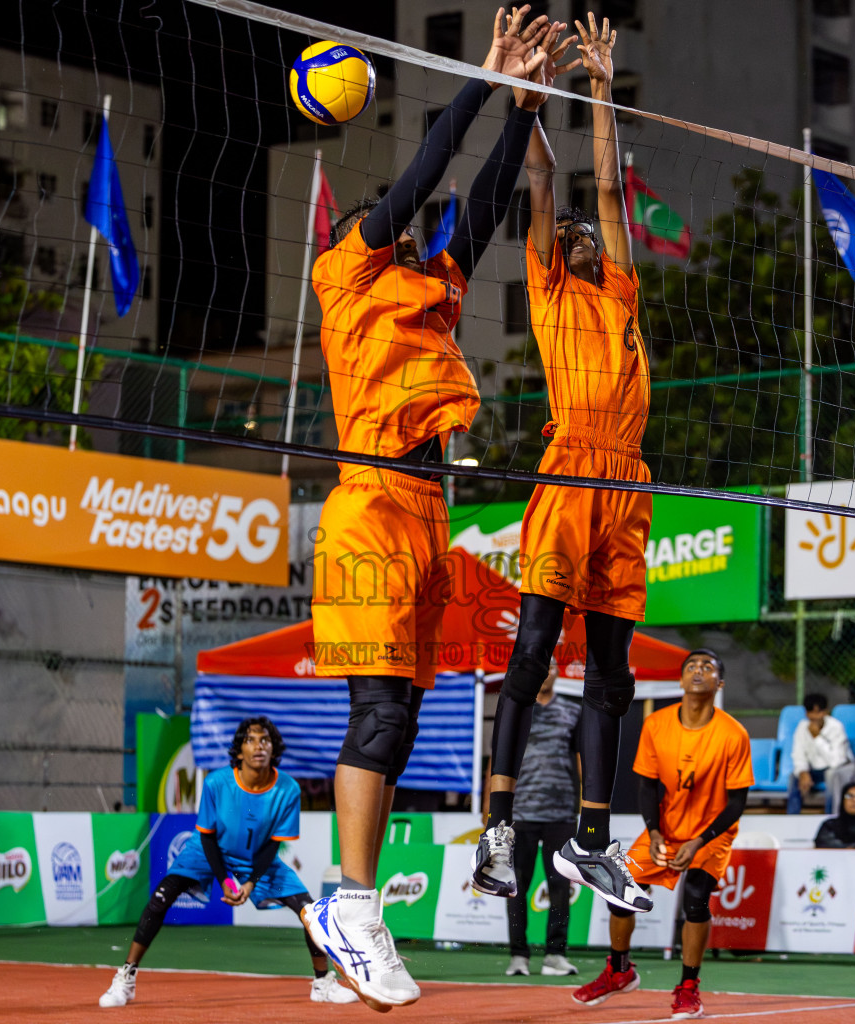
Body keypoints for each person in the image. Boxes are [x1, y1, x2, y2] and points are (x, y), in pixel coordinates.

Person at [302, 8, 559, 1011]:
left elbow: (485, 203)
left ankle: (353, 911)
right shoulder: (345, 269)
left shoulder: (433, 286)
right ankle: (353, 905)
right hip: (367, 502)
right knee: (376, 711)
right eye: (386, 217)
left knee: (402, 715)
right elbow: (421, 175)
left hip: (424, 512)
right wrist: (485, 79)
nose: (403, 220)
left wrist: (528, 110)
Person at [474, 11, 658, 917]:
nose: (585, 233)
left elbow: (608, 188)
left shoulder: (619, 284)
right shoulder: (549, 288)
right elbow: (547, 177)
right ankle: (500, 829)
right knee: (537, 650)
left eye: (592, 233)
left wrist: (599, 86)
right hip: (570, 471)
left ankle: (591, 840)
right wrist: (532, 92)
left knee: (614, 673)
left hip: (628, 481)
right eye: (574, 232)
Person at [99, 717, 356, 1008]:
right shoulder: (217, 783)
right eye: (250, 740)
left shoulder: (288, 789)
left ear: (274, 749)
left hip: (257, 858)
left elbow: (273, 844)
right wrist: (226, 880)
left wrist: (249, 882)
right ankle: (126, 978)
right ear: (238, 751)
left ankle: (322, 983)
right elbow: (207, 838)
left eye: (265, 740)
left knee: (309, 912)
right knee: (160, 898)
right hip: (209, 851)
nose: (259, 746)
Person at [570, 650, 752, 1020]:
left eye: (708, 667)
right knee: (619, 890)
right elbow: (647, 788)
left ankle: (688, 987)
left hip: (711, 834)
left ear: (719, 683)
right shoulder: (657, 723)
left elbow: (736, 803)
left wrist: (699, 841)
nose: (698, 671)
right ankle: (619, 971)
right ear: (681, 680)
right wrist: (653, 833)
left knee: (697, 899)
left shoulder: (734, 734)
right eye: (691, 666)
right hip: (664, 829)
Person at [496, 662, 579, 979]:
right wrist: (496, 807)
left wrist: (586, 806)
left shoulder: (572, 712)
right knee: (516, 887)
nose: (546, 672)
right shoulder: (517, 710)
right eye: (541, 667)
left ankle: (555, 955)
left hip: (561, 815)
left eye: (552, 667)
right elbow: (500, 757)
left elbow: (583, 758)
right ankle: (519, 956)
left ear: (558, 674)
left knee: (560, 887)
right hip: (521, 813)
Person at [787, 693, 854, 814]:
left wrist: (817, 737)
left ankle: (830, 817)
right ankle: (792, 818)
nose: (813, 716)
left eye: (817, 712)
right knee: (794, 777)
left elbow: (835, 762)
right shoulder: (802, 727)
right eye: (810, 712)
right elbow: (798, 753)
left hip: (839, 769)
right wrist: (803, 772)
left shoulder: (836, 727)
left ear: (825, 712)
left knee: (831, 775)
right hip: (815, 770)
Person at [814, 783, 855, 849]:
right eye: (849, 796)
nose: (854, 800)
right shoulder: (829, 825)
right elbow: (823, 844)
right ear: (843, 800)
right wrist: (851, 848)